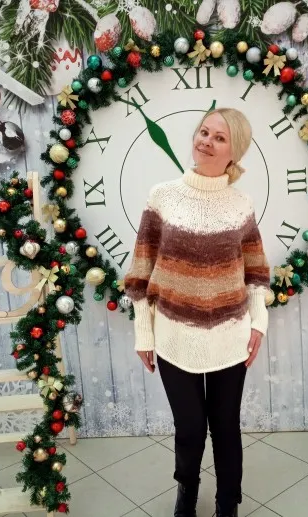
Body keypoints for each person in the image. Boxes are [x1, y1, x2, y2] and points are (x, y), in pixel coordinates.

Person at [124, 107, 270, 517]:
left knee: (226, 428)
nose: (206, 141)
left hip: (230, 337)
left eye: (219, 137)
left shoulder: (241, 204)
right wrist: (144, 333)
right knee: (189, 429)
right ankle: (186, 491)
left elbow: (256, 271)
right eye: (204, 132)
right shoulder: (163, 196)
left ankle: (227, 502)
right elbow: (141, 270)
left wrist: (258, 322)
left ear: (234, 151)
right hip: (174, 335)